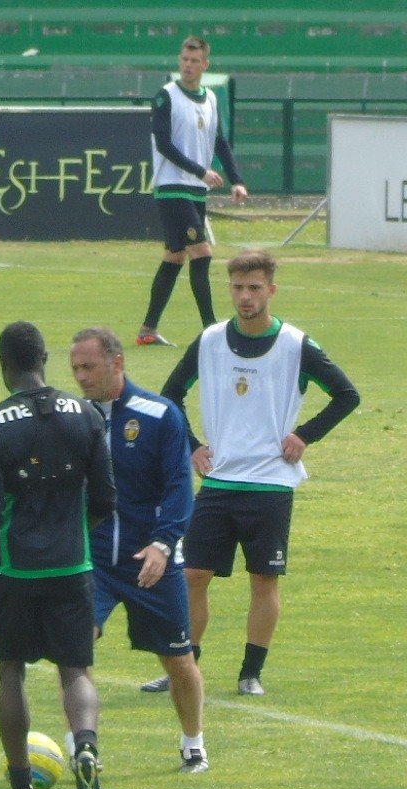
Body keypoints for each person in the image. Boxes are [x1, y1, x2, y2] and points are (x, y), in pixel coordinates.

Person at [158, 248, 359, 697]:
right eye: (237, 288)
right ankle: (184, 662)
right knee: (193, 576)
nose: (245, 297)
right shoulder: (209, 340)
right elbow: (170, 394)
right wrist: (192, 446)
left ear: (271, 289)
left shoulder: (295, 344)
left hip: (271, 482)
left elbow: (347, 394)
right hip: (218, 481)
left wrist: (304, 435)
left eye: (253, 288)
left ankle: (251, 672)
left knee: (263, 579)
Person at [0, 322, 117, 789]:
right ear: (45, 360)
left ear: (3, 365)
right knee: (75, 669)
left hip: (15, 571)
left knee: (10, 674)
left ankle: (20, 786)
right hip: (72, 566)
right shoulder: (88, 416)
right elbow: (105, 499)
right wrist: (73, 531)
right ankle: (87, 749)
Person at [68, 327, 210, 773]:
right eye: (75, 369)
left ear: (117, 363)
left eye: (88, 367)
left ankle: (193, 743)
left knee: (178, 659)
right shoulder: (73, 416)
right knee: (76, 650)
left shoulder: (160, 415)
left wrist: (162, 544)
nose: (81, 377)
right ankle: (83, 746)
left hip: (152, 560)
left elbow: (178, 488)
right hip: (92, 561)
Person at [136, 34, 248, 349]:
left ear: (205, 65)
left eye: (194, 61)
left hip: (196, 189)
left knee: (175, 256)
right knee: (202, 251)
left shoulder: (211, 98)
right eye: (184, 59)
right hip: (173, 187)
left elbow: (219, 142)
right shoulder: (166, 96)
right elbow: (163, 143)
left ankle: (148, 330)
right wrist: (200, 170)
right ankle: (212, 331)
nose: (188, 65)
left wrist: (236, 179)